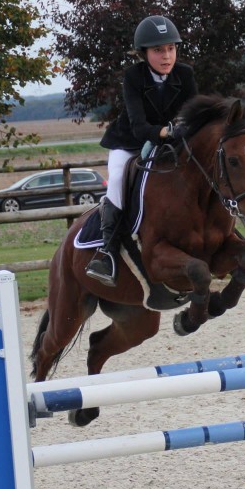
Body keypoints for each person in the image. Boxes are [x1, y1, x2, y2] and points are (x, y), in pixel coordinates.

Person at [85, 15, 198, 287]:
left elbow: (194, 113)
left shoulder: (186, 74)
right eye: (159, 50)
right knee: (116, 180)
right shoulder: (133, 76)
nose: (166, 56)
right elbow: (139, 126)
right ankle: (107, 253)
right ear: (144, 53)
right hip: (129, 142)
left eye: (171, 48)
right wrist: (168, 131)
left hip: (170, 144)